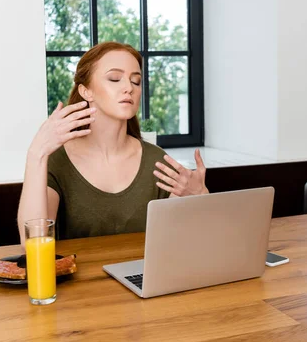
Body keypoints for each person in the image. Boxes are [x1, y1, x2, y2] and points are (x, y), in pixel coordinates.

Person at [17, 41, 208, 242]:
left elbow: (185, 242)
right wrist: (36, 153)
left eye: (136, 81)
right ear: (86, 91)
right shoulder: (57, 161)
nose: (129, 88)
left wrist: (201, 195)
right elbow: (33, 241)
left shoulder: (157, 161)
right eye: (115, 79)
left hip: (141, 274)